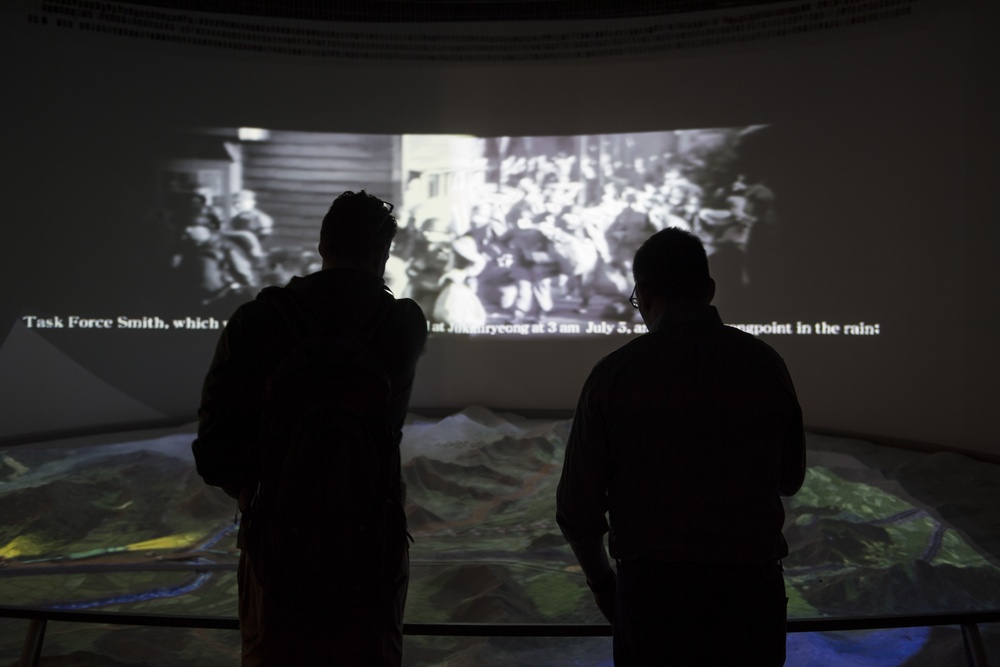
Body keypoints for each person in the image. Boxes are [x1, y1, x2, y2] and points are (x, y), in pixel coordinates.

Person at [192, 190, 427, 666]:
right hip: (370, 549)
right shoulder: (402, 325)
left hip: (278, 548)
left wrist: (256, 494)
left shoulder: (257, 321)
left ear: (321, 244)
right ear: (384, 254)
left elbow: (214, 450)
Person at [556, 227, 805, 666]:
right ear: (709, 290)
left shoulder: (613, 376)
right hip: (751, 597)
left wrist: (604, 587)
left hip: (653, 602)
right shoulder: (765, 364)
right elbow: (790, 478)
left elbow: (578, 509)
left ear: (644, 293)